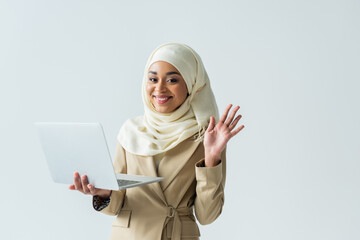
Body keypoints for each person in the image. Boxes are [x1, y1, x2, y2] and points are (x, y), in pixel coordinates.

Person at [69, 43, 244, 240]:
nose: (159, 88)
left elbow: (207, 216)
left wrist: (211, 158)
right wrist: (104, 193)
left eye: (172, 80)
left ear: (191, 84)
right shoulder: (131, 131)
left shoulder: (206, 137)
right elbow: (115, 205)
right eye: (153, 79)